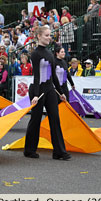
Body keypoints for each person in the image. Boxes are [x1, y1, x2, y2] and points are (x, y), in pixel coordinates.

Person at [24, 26, 70, 160]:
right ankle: (29, 150)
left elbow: (53, 76)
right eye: (46, 35)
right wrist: (36, 95)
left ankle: (59, 152)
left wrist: (61, 93)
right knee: (36, 119)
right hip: (37, 89)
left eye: (50, 35)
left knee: (55, 119)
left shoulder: (50, 53)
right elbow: (37, 76)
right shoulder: (35, 54)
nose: (49, 37)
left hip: (50, 90)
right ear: (39, 36)